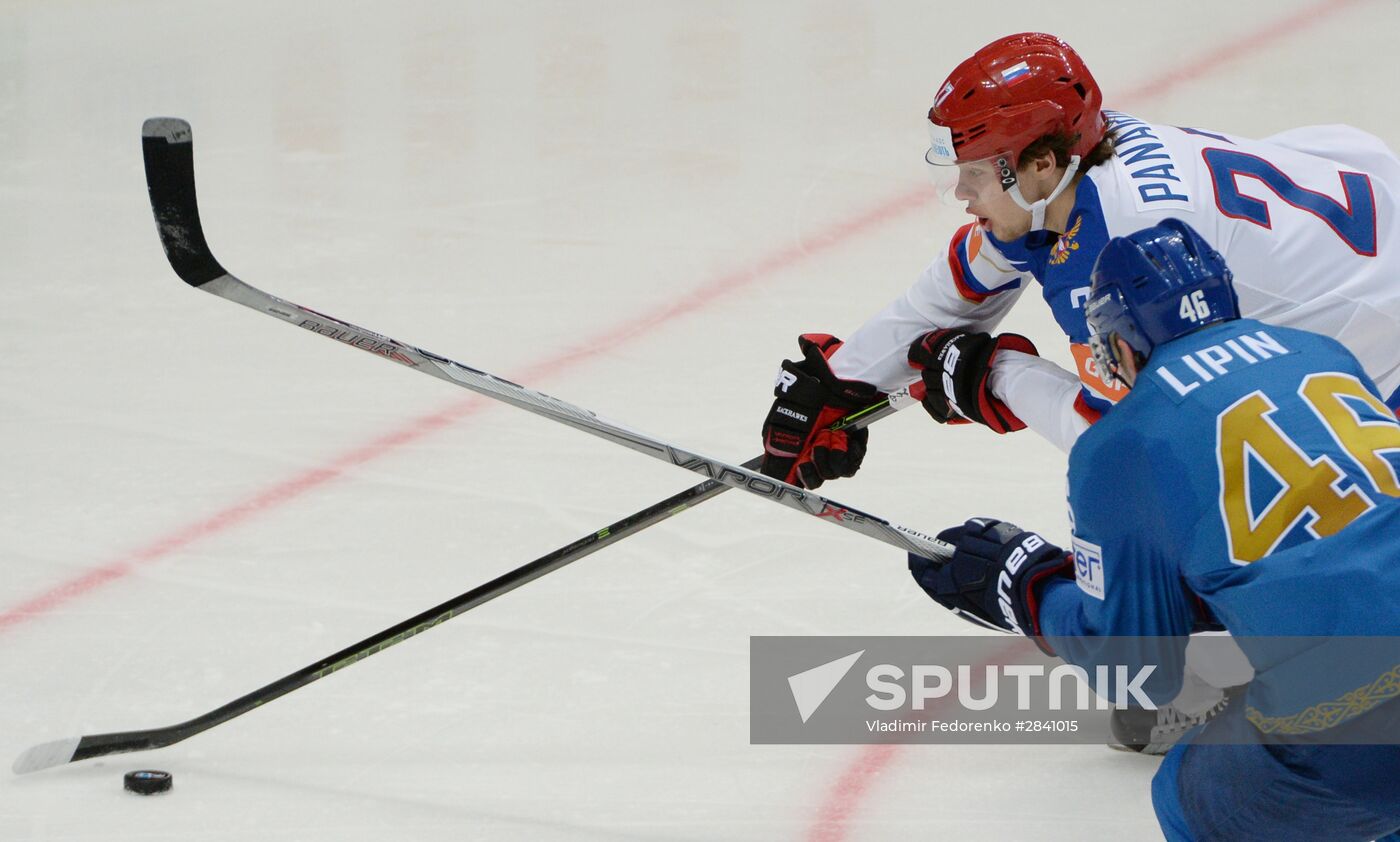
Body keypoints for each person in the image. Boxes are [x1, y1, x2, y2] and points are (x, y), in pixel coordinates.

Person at [757, 29, 1400, 751]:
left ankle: (1228, 658)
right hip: (1352, 280)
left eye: (974, 173)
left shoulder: (1120, 239)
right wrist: (844, 381)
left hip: (1379, 359)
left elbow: (1133, 442)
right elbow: (972, 273)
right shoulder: (1072, 170)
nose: (961, 192)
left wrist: (995, 377)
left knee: (1207, 483)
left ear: (1038, 165)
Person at [908, 219, 1400, 841]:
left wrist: (1026, 586)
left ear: (1122, 340)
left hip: (1362, 721)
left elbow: (1137, 673)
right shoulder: (1325, 355)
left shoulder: (1123, 441)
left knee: (1193, 793)